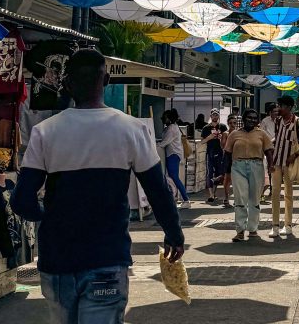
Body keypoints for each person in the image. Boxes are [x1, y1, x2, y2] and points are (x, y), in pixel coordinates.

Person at [13, 49, 183, 324]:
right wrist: (174, 234)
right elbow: (157, 190)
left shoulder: (45, 132)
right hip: (107, 256)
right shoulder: (132, 130)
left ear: (67, 85)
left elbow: (21, 201)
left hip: (57, 260)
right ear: (105, 82)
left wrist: (50, 217)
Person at [224, 108, 273, 242]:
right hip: (238, 167)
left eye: (254, 118)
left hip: (256, 166)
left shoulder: (261, 134)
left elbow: (269, 151)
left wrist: (270, 166)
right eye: (249, 118)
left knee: (254, 199)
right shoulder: (234, 134)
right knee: (240, 199)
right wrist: (226, 171)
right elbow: (227, 153)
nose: (252, 120)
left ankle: (253, 229)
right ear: (244, 119)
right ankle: (240, 230)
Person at [269, 95, 299, 239]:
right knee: (275, 193)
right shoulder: (278, 121)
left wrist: (294, 155)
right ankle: (275, 225)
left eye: (279, 106)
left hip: (289, 162)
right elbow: (277, 136)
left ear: (288, 107)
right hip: (277, 161)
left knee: (288, 193)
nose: (277, 109)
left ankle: (287, 225)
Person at [158, 109, 190, 205]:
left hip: (173, 154)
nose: (163, 119)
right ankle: (178, 197)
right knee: (173, 177)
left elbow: (165, 142)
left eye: (165, 117)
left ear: (169, 118)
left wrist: (156, 145)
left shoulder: (171, 128)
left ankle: (186, 199)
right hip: (174, 154)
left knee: (174, 177)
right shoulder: (174, 127)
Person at [200, 109, 228, 204]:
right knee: (209, 172)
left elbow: (227, 139)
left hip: (220, 152)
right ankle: (211, 194)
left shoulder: (223, 127)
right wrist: (209, 137)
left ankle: (214, 193)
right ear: (211, 116)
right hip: (210, 152)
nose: (215, 117)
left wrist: (222, 138)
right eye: (213, 115)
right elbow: (202, 141)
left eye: (216, 115)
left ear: (218, 116)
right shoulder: (206, 128)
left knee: (219, 173)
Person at [259, 103, 277, 201]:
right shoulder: (265, 121)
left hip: (277, 146)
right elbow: (261, 132)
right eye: (274, 111)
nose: (276, 113)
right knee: (269, 168)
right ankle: (269, 188)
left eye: (277, 112)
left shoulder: (280, 121)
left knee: (276, 168)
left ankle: (274, 189)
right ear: (270, 112)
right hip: (267, 147)